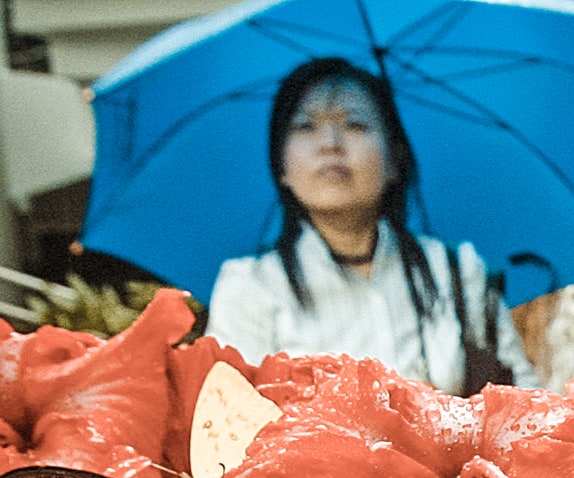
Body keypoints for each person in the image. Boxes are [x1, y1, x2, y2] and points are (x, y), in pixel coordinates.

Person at [205, 57, 539, 393]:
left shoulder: (455, 271)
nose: (331, 143)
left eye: (356, 125)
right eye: (305, 126)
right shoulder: (251, 288)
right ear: (282, 169)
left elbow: (523, 405)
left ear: (395, 159)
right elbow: (230, 422)